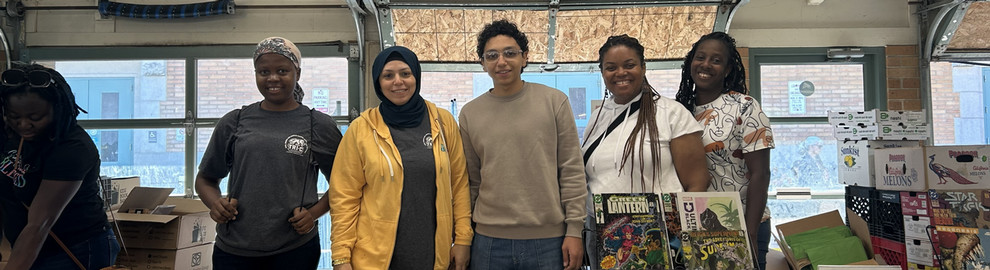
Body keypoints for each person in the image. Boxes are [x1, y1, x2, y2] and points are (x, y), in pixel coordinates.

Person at [196, 37, 342, 269]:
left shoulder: (318, 125)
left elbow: (345, 184)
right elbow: (205, 179)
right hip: (234, 249)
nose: (273, 78)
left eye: (282, 70)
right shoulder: (234, 121)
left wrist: (314, 214)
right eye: (264, 71)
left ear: (298, 73)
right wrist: (216, 204)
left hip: (294, 249)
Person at [328, 46, 473, 270]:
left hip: (433, 255)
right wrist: (341, 257)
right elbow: (344, 198)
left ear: (416, 76)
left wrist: (463, 239)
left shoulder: (442, 123)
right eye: (388, 75)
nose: (398, 81)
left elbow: (460, 185)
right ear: (378, 81)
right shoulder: (361, 129)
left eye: (405, 73)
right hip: (374, 259)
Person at [459, 19, 587, 270]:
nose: (502, 61)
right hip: (488, 241)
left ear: (525, 57)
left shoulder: (554, 102)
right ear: (482, 63)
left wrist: (575, 230)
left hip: (549, 240)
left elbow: (571, 170)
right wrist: (463, 236)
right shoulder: (469, 113)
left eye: (510, 53)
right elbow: (470, 182)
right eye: (492, 55)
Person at [583, 35, 711, 268]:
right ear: (602, 72)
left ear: (643, 67)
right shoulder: (597, 117)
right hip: (603, 235)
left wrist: (684, 239)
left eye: (629, 65)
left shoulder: (670, 113)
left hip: (656, 235)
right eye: (611, 67)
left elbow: (697, 183)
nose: (620, 73)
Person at [0, 63, 120, 269]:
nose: (23, 125)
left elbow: (39, 224)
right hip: (30, 247)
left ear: (58, 109)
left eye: (35, 117)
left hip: (77, 249)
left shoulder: (73, 147)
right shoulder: (11, 136)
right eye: (14, 116)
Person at [675, 31, 775, 270]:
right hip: (698, 224)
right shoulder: (679, 110)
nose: (706, 65)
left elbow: (761, 174)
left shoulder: (745, 106)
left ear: (728, 69)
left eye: (716, 60)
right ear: (691, 62)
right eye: (700, 57)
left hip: (742, 222)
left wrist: (749, 233)